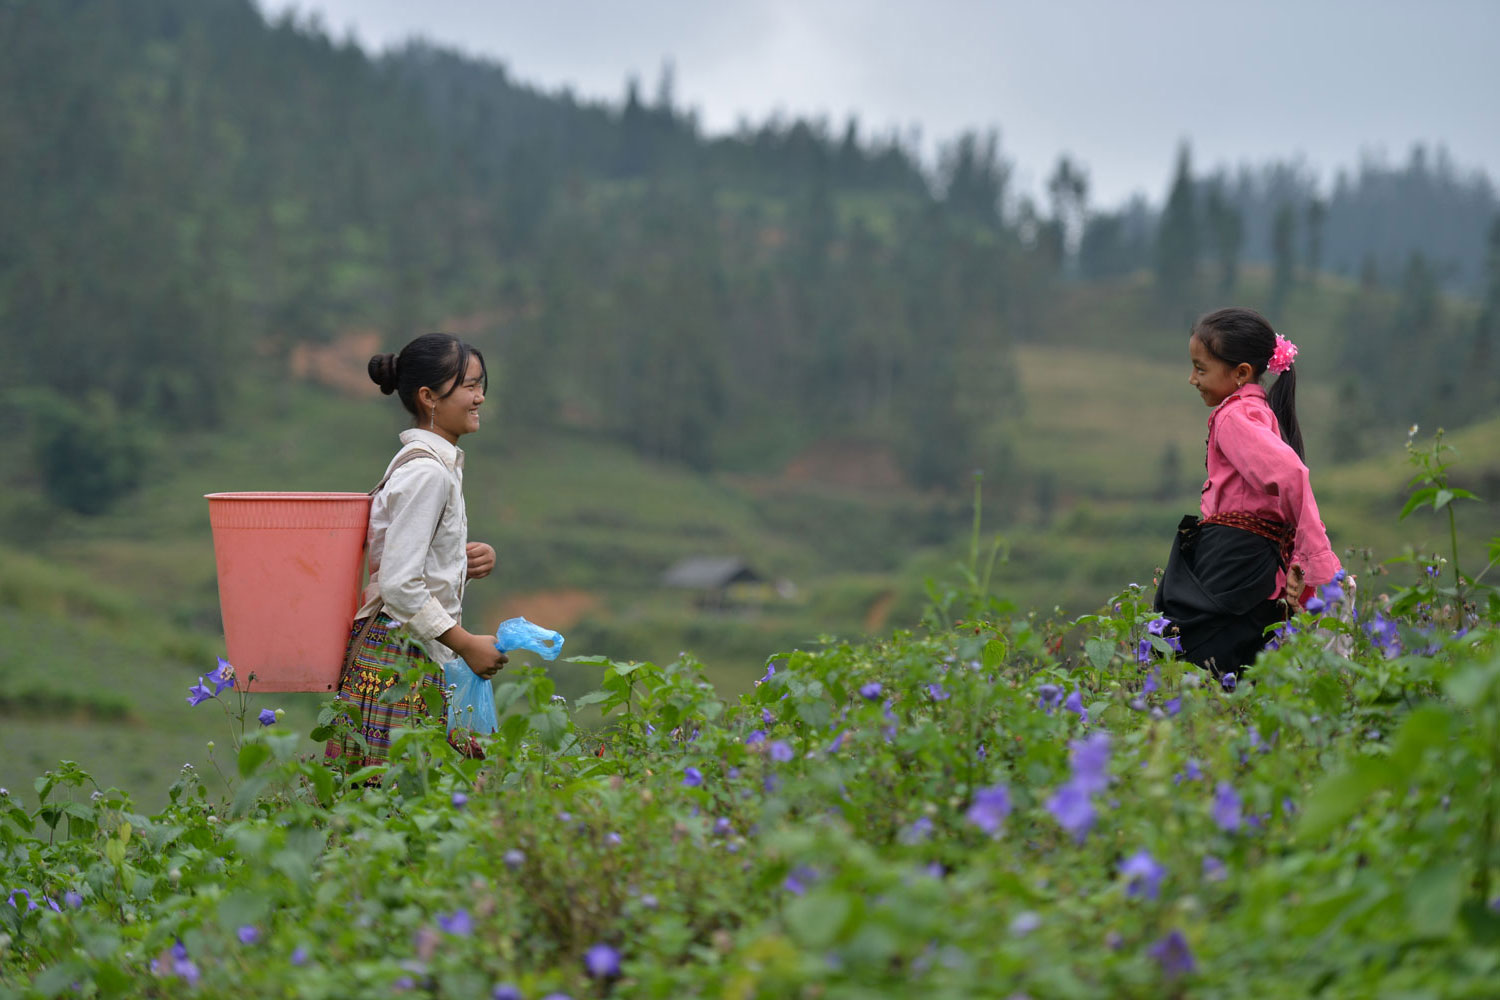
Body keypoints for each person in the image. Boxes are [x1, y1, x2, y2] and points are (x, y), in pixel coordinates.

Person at [326, 333, 507, 769]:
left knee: (381, 805)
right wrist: (464, 644)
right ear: (429, 397)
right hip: (399, 656)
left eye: (481, 385)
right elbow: (399, 584)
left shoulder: (426, 464)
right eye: (468, 386)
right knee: (395, 801)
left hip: (404, 649)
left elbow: (410, 560)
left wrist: (462, 560)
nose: (479, 397)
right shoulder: (428, 473)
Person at [1154, 307, 1342, 677]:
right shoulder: (1256, 412)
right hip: (1254, 561)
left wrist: (1311, 556)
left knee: (1191, 661)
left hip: (1233, 562)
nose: (1192, 379)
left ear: (1240, 372)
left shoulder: (1234, 417)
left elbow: (1291, 475)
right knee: (1241, 662)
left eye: (1201, 368)